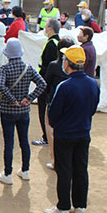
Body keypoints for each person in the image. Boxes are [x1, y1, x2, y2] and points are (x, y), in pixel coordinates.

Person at [43, 45, 100, 213]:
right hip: (83, 132)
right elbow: (93, 108)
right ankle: (80, 206)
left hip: (65, 134)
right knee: (81, 169)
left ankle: (63, 208)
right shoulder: (93, 83)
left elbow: (53, 114)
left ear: (68, 63)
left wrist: (57, 124)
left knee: (64, 170)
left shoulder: (64, 86)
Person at [0, 38, 46, 185]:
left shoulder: (4, 69)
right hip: (24, 111)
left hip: (8, 110)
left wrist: (12, 99)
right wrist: (29, 98)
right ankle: (25, 170)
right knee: (24, 141)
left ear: (7, 54)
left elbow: (1, 86)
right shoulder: (28, 68)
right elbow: (42, 84)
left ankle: (7, 173)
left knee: (9, 143)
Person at [43, 37, 76, 170]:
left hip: (53, 102)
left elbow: (46, 83)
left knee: (51, 131)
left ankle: (54, 160)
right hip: (71, 104)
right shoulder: (76, 68)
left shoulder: (54, 65)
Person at [33, 18, 60, 147]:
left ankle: (46, 136)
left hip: (46, 82)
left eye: (46, 26)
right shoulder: (57, 42)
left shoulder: (51, 44)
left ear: (50, 29)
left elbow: (48, 66)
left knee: (43, 110)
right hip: (53, 82)